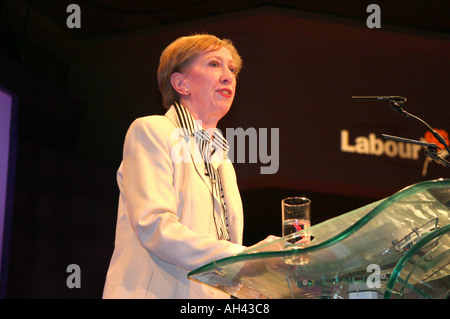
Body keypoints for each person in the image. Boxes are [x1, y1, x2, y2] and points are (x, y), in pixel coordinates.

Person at [103, 33, 277, 299]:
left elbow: (219, 256)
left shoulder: (222, 161)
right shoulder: (152, 130)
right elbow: (154, 227)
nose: (229, 76)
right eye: (214, 64)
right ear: (181, 83)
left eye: (231, 69)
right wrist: (245, 257)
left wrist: (265, 282)